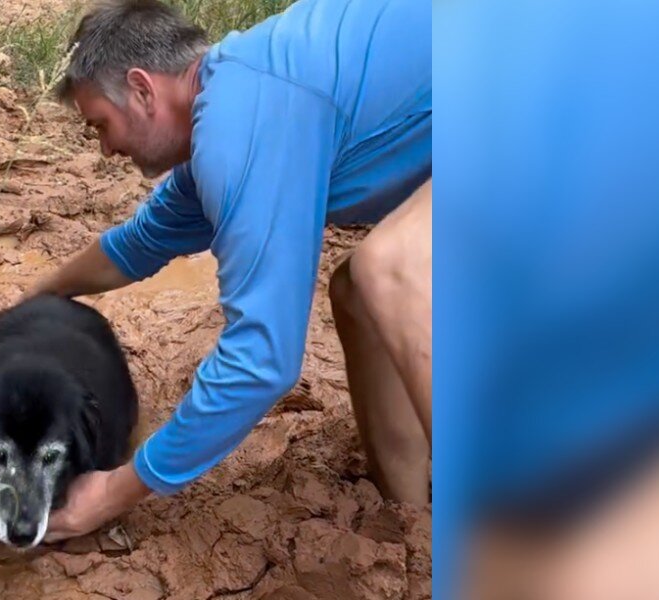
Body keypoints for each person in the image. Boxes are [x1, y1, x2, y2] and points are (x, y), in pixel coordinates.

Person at [22, 0, 433, 543]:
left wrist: (116, 490)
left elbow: (261, 360)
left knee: (394, 269)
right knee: (357, 288)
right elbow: (137, 244)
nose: (106, 150)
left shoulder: (241, 125)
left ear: (143, 90)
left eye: (102, 124)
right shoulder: (235, 103)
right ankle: (413, 516)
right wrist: (40, 296)